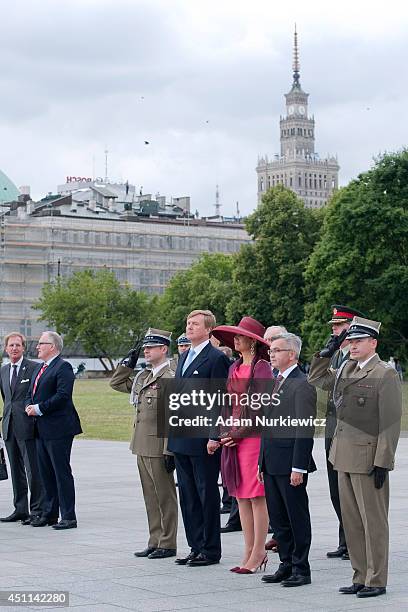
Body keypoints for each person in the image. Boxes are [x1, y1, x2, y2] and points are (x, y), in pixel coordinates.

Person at [309, 317, 402, 598]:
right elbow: (316, 379)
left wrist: (383, 462)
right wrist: (324, 354)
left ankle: (376, 579)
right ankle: (360, 575)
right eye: (350, 341)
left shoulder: (384, 373)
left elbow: (390, 422)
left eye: (358, 341)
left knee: (373, 522)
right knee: (351, 522)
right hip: (342, 455)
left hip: (368, 458)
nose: (352, 346)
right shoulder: (345, 368)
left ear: (373, 343)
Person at [168, 309, 230, 567]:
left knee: (206, 494)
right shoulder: (184, 357)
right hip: (182, 435)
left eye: (195, 324)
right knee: (188, 495)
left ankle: (210, 549)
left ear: (208, 329)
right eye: (188, 323)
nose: (189, 327)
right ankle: (195, 546)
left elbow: (220, 400)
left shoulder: (215, 358)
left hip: (203, 438)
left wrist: (214, 435)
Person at [110, 329, 178, 559]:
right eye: (145, 348)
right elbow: (117, 383)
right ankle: (155, 539)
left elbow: (173, 416)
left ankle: (168, 543)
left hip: (159, 446)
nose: (146, 351)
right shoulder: (143, 376)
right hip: (141, 444)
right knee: (150, 496)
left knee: (164, 496)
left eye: (151, 347)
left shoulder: (170, 376)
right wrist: (126, 364)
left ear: (164, 349)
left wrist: (170, 449)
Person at [212, 316, 272, 574]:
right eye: (234, 336)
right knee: (240, 496)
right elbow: (226, 404)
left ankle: (259, 552)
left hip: (253, 437)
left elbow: (261, 408)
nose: (235, 339)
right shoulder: (234, 366)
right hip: (233, 437)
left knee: (257, 496)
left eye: (240, 336)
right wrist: (223, 433)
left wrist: (238, 432)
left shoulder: (262, 368)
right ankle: (248, 550)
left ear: (252, 341)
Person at [308, 304, 365, 561]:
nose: (335, 330)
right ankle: (346, 539)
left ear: (351, 327)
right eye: (333, 326)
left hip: (352, 429)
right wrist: (325, 353)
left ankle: (355, 540)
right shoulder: (338, 357)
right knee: (336, 488)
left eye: (340, 326)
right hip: (333, 427)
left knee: (350, 488)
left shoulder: (358, 358)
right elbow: (317, 379)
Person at [259, 333, 316, 587]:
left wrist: (298, 467)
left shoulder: (301, 384)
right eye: (271, 350)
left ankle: (301, 569)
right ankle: (286, 563)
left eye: (277, 350)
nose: (272, 354)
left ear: (292, 354)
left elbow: (304, 429)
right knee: (279, 518)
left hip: (290, 463)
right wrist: (262, 462)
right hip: (272, 462)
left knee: (296, 517)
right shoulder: (275, 381)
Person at [25, 331, 82, 530]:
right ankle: (49, 514)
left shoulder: (63, 366)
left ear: (53, 346)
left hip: (59, 429)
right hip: (41, 429)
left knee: (61, 472)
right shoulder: (40, 368)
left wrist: (39, 408)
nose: (37, 347)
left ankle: (68, 516)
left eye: (41, 343)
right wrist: (28, 406)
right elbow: (30, 393)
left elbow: (63, 395)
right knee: (46, 473)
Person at [0, 333, 44, 524]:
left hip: (27, 426)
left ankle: (37, 510)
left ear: (24, 348)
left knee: (32, 470)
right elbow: (6, 398)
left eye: (18, 345)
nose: (14, 348)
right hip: (9, 426)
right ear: (6, 348)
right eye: (11, 345)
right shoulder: (3, 370)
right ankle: (20, 509)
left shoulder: (34, 368)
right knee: (16, 470)